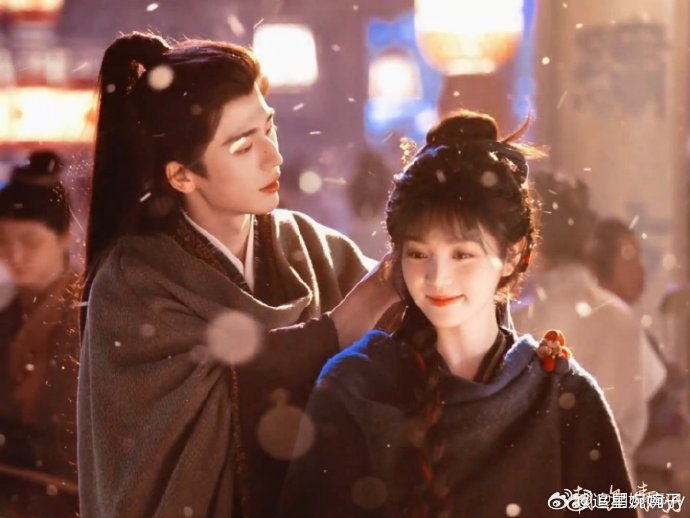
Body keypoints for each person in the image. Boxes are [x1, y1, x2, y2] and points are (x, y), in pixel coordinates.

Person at [79, 32, 397, 518]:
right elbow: (181, 443)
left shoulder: (307, 245)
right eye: (244, 146)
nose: (274, 156)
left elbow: (411, 332)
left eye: (270, 128)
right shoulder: (132, 283)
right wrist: (344, 322)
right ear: (182, 175)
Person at [279, 111, 634, 517]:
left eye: (462, 254)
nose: (437, 277)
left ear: (513, 254)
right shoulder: (354, 385)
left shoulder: (562, 396)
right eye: (418, 254)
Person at [513, 173, 666, 475]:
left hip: (535, 483)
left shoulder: (516, 318)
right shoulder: (619, 317)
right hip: (609, 480)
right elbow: (642, 410)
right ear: (586, 240)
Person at [0, 151, 80, 517]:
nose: (14, 255)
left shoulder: (87, 317)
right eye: (3, 241)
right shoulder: (7, 317)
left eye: (29, 241)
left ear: (64, 237)